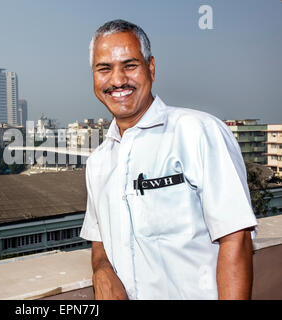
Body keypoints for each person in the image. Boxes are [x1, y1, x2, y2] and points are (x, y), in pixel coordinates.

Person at [79, 19, 258, 300]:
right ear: (93, 76)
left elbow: (235, 238)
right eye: (104, 68)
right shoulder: (98, 162)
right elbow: (99, 237)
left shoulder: (198, 132)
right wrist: (101, 268)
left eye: (130, 65)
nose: (117, 80)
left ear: (150, 67)